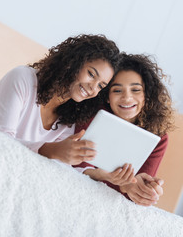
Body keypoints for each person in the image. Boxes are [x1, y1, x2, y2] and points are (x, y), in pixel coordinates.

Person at [0, 17, 120, 166]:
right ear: (73, 62)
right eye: (91, 74)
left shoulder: (68, 119)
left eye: (101, 86)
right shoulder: (22, 77)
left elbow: (55, 166)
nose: (93, 88)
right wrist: (49, 150)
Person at [73, 53, 176, 206]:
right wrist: (109, 177)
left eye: (135, 90)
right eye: (117, 90)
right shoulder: (92, 114)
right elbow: (74, 164)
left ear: (146, 95)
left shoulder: (158, 136)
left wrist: (147, 191)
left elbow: (138, 188)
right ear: (107, 96)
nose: (127, 98)